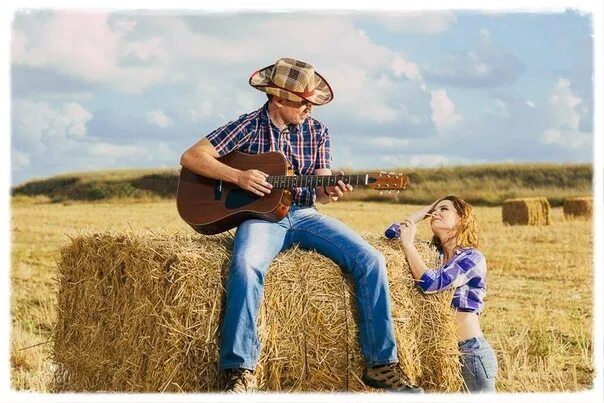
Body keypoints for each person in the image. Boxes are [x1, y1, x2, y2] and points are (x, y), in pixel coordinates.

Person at [180, 57, 422, 393]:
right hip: (260, 218)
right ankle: (240, 370)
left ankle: (381, 364)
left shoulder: (318, 131)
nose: (309, 109)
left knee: (371, 259)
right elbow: (192, 157)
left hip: (305, 215)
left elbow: (320, 190)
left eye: (312, 103)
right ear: (278, 99)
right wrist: (238, 176)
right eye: (303, 103)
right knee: (247, 264)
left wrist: (329, 190)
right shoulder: (247, 126)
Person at [396, 195, 498, 392]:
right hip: (443, 352)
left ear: (462, 219)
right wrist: (424, 211)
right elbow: (393, 234)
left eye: (444, 209)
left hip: (470, 353)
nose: (436, 213)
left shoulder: (472, 258)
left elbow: (432, 283)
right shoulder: (434, 255)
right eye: (435, 210)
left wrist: (408, 245)